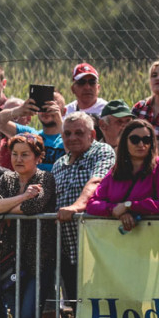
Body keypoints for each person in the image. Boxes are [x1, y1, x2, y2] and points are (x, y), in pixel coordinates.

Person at [0, 133, 65, 318]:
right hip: (9, 261)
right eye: (15, 154)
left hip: (38, 260)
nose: (18, 159)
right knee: (15, 313)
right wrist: (22, 198)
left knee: (29, 312)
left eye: (25, 154)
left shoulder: (46, 178)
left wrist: (12, 206)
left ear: (38, 157)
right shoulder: (8, 179)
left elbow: (37, 208)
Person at [52, 112, 116, 302]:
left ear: (92, 134)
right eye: (68, 133)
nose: (72, 138)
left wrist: (76, 207)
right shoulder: (58, 164)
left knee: (101, 304)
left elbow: (97, 181)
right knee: (75, 305)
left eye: (79, 133)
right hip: (67, 251)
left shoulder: (102, 151)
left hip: (97, 248)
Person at [86, 120, 159, 233]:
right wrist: (115, 210)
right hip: (116, 242)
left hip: (154, 237)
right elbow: (92, 204)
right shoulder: (116, 170)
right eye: (135, 140)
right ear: (125, 142)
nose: (141, 144)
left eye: (146, 140)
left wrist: (129, 206)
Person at [0, 92, 66, 171]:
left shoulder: (71, 137)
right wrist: (18, 110)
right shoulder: (29, 135)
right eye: (43, 105)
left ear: (63, 111)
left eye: (53, 105)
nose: (46, 110)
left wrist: (60, 122)